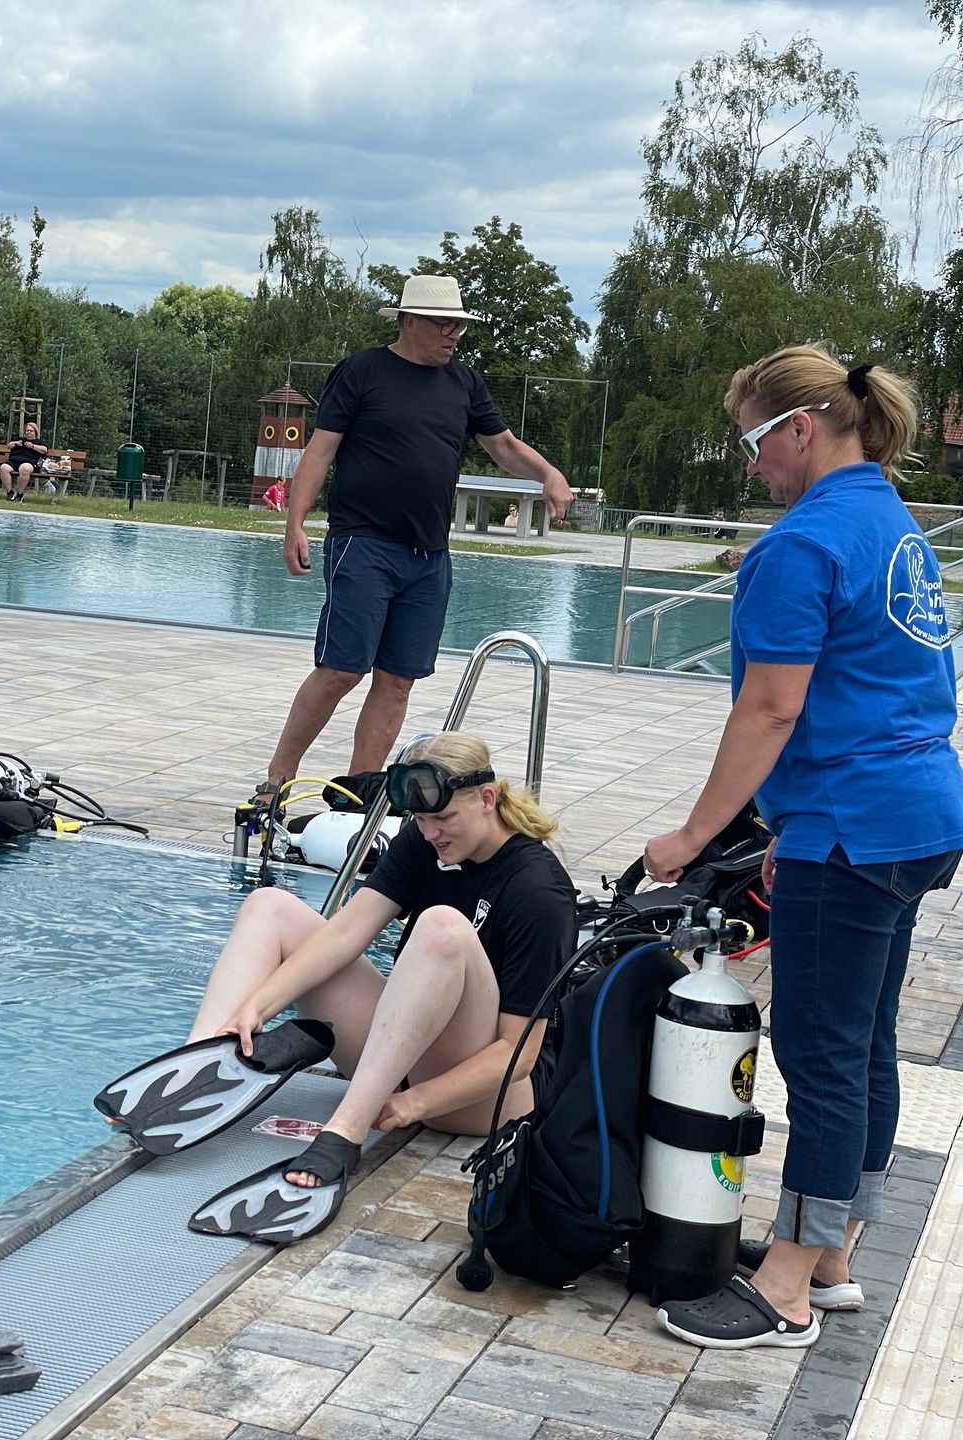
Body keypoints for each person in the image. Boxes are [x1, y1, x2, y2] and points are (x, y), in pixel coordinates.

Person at [643, 346, 963, 1351]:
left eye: (753, 443)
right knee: (864, 1042)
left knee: (820, 1055)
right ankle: (832, 1254)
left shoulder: (802, 544)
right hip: (915, 818)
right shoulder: (891, 525)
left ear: (799, 428)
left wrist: (696, 833)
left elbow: (771, 706)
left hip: (853, 824)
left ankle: (783, 1288)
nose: (753, 468)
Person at [174, 732, 576, 1243]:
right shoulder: (425, 841)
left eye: (443, 819)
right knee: (268, 906)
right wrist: (258, 1004)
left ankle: (344, 1133)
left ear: (487, 799)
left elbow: (517, 1055)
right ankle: (198, 1068)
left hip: (489, 1097)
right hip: (400, 1061)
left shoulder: (538, 890)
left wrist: (415, 1104)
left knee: (442, 928)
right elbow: (345, 933)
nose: (431, 834)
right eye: (422, 822)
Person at [253, 274, 574, 814]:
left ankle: (359, 791)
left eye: (459, 325)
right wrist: (295, 523)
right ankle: (277, 781)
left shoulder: (465, 382)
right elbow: (320, 451)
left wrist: (547, 473)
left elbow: (503, 446)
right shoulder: (362, 372)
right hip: (364, 543)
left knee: (398, 681)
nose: (453, 334)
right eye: (443, 323)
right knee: (340, 670)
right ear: (408, 321)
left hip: (429, 555)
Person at [2, 421, 50, 502]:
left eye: (31, 431)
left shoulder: (39, 442)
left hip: (30, 463)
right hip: (14, 461)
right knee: (4, 468)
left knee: (25, 468)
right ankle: (9, 493)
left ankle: (20, 494)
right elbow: (9, 446)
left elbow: (45, 450)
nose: (28, 432)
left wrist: (32, 446)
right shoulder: (19, 439)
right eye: (27, 430)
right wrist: (16, 443)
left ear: (35, 432)